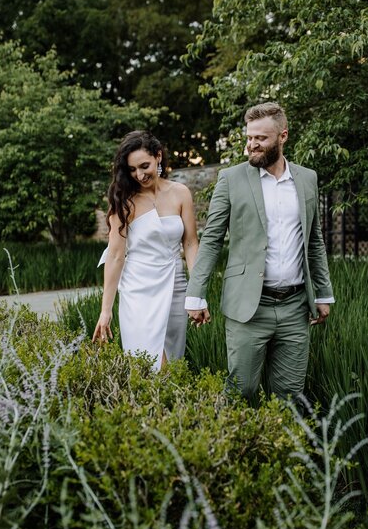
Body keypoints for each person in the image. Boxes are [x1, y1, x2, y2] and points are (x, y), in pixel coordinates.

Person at [185, 102, 334, 404]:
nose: (252, 145)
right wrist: (195, 294)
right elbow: (211, 239)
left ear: (283, 136)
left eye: (261, 139)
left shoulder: (307, 179)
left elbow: (314, 240)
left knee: (290, 396)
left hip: (295, 308)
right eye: (250, 137)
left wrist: (323, 293)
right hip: (248, 308)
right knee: (241, 391)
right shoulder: (231, 178)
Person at [92, 130, 199, 371]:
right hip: (138, 290)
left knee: (173, 362)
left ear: (158, 156)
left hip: (175, 284)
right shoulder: (124, 201)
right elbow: (116, 255)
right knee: (151, 364)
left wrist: (197, 291)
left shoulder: (180, 193)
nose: (139, 175)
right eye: (132, 169)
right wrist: (105, 310)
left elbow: (191, 243)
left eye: (144, 165)